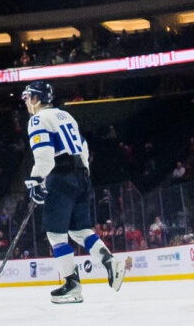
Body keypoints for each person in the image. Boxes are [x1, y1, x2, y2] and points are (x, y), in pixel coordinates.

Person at [21, 81, 124, 303]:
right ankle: (109, 261)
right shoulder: (66, 116)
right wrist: (81, 175)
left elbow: (45, 156)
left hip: (61, 177)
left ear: (37, 99)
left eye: (28, 97)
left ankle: (71, 285)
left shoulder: (37, 119)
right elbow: (83, 148)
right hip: (81, 176)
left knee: (55, 234)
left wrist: (35, 181)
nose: (26, 102)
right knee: (80, 230)